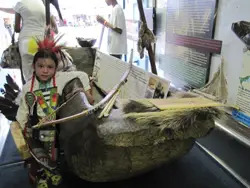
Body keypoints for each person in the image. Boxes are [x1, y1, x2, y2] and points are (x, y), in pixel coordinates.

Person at [16, 37, 93, 188]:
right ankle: (37, 176)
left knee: (53, 157)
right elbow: (23, 112)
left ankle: (51, 172)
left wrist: (88, 94)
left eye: (50, 67)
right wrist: (23, 133)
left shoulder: (60, 78)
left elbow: (82, 75)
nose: (45, 70)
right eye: (41, 66)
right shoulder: (27, 88)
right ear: (34, 66)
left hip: (53, 129)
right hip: (35, 129)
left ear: (56, 68)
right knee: (37, 159)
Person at [14, 0, 59, 81]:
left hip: (26, 41)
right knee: (44, 69)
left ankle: (31, 91)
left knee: (29, 75)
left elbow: (16, 28)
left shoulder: (20, 3)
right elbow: (56, 30)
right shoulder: (45, 5)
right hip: (41, 41)